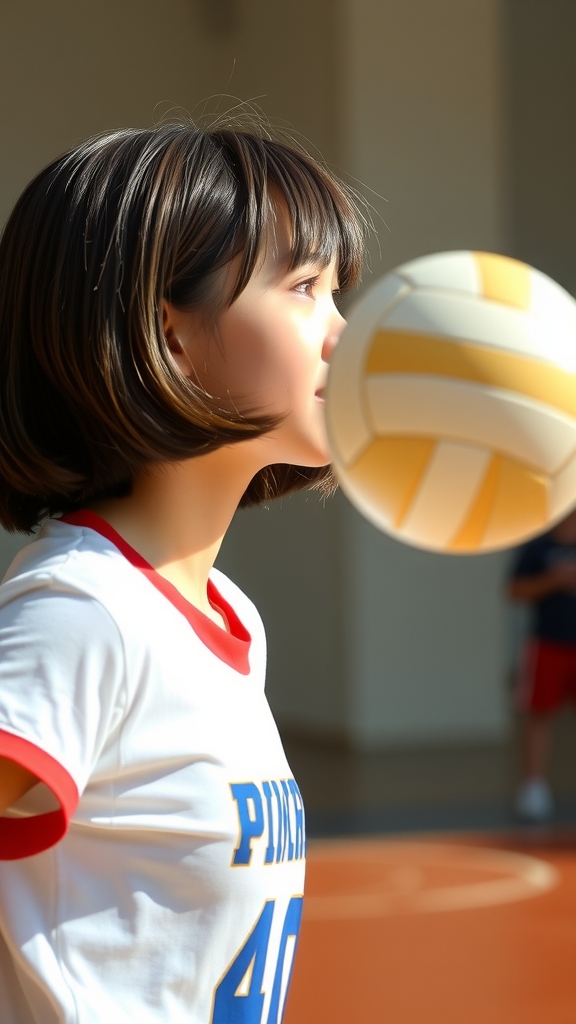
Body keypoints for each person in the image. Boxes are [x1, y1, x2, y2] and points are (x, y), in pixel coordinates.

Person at [0, 122, 364, 1023]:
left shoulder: (228, 616)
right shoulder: (83, 610)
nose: (342, 330)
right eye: (306, 288)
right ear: (168, 332)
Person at [509, 508, 576, 823]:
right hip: (546, 644)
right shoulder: (537, 547)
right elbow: (514, 591)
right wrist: (553, 581)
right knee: (539, 715)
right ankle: (534, 787)